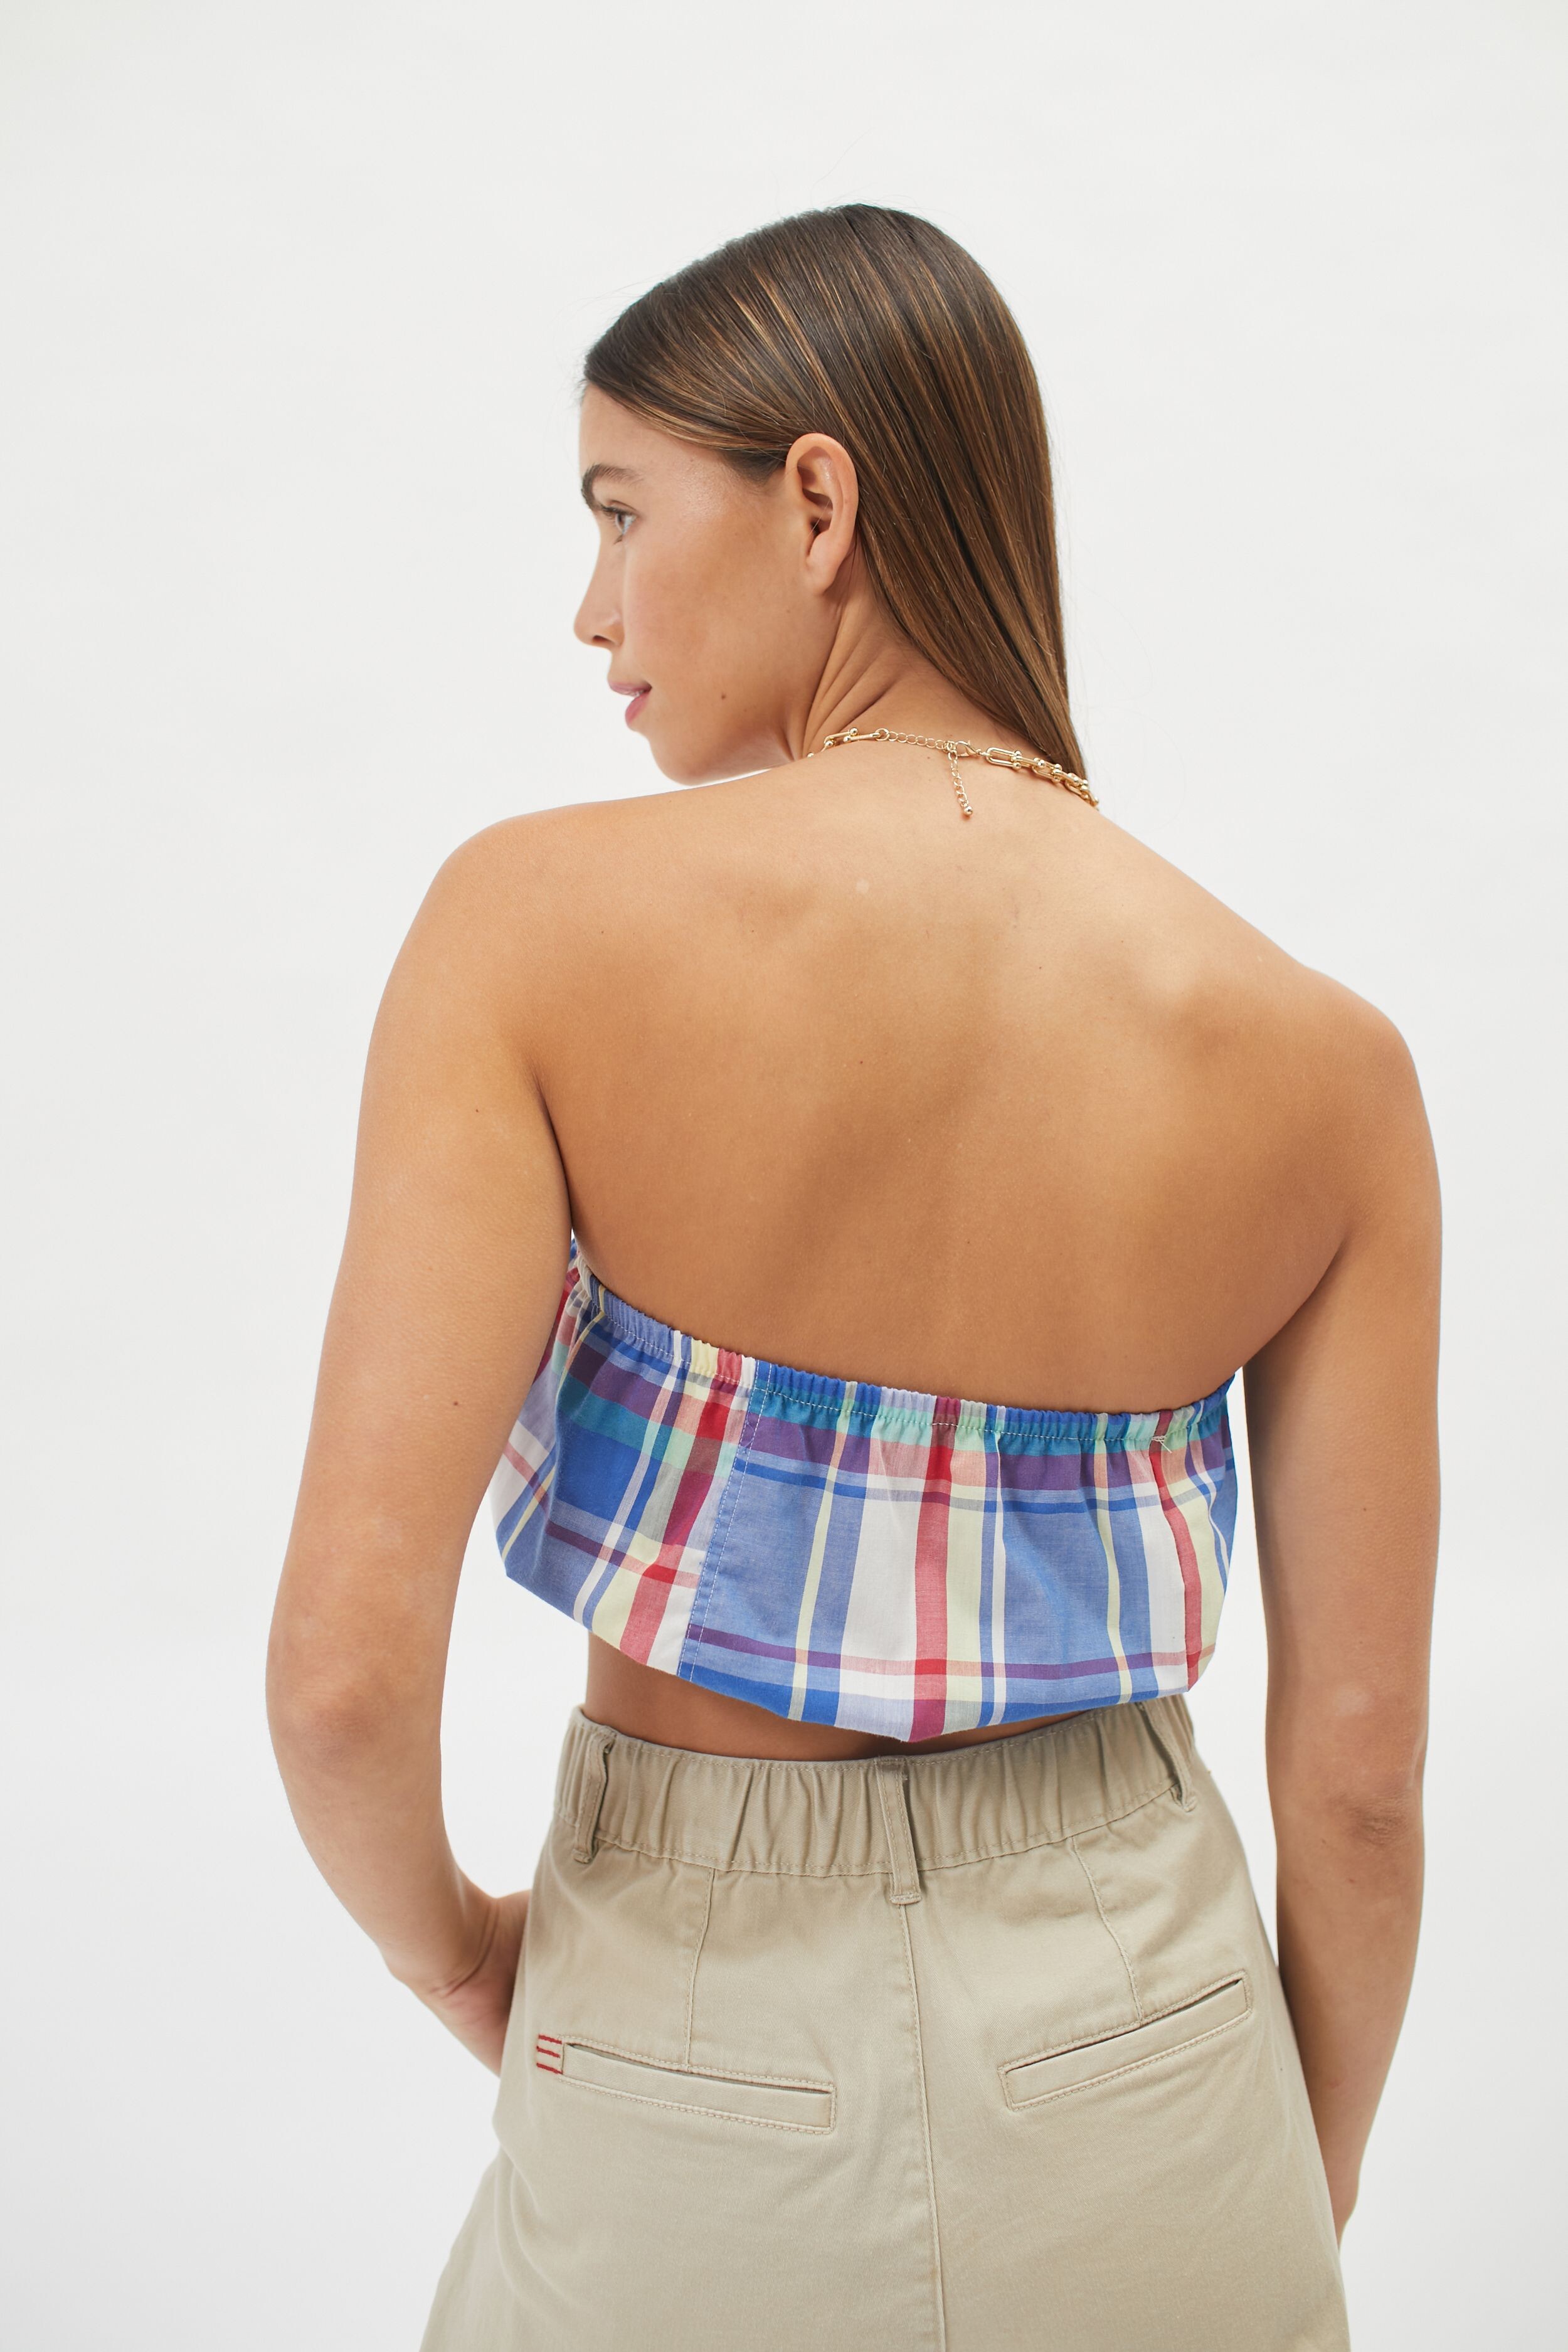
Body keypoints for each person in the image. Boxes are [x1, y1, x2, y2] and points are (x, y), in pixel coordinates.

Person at [267, 204, 1439, 2351]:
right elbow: (1356, 1781)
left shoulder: (528, 928)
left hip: (684, 2054)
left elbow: (341, 1682)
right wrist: (1298, 2177)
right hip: (1163, 2064)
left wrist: (470, 1967)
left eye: (622, 511)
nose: (590, 606)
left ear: (816, 503)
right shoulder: (1325, 1066)